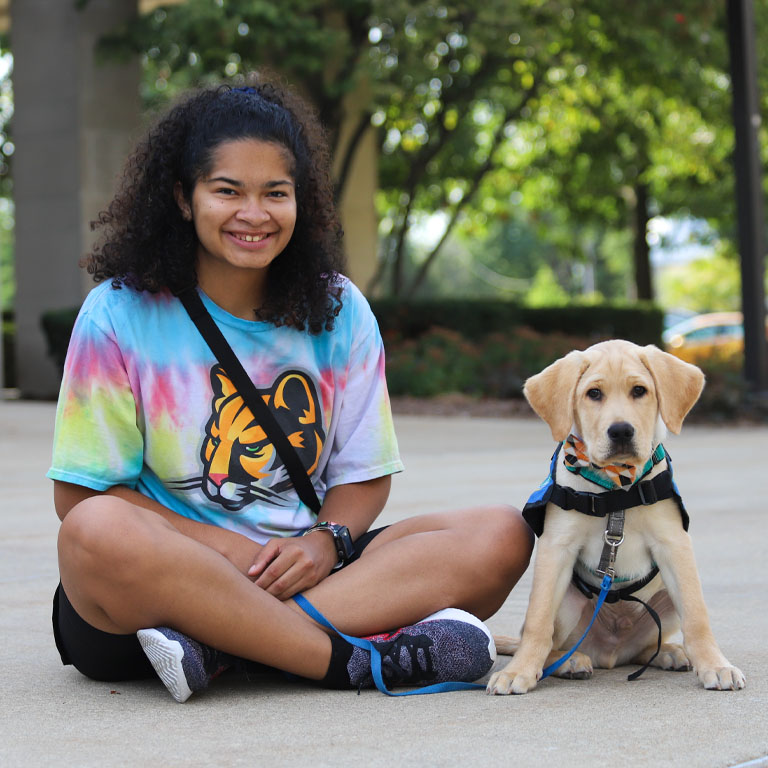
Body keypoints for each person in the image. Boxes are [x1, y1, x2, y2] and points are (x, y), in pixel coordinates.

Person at [49, 77, 533, 703]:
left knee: (502, 533)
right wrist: (234, 553)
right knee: (94, 531)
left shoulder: (339, 310)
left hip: (304, 569)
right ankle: (349, 663)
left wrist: (324, 541)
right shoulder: (117, 314)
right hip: (158, 588)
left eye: (275, 193)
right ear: (183, 197)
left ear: (300, 200)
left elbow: (362, 474)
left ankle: (219, 648)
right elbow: (81, 494)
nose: (255, 214)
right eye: (228, 191)